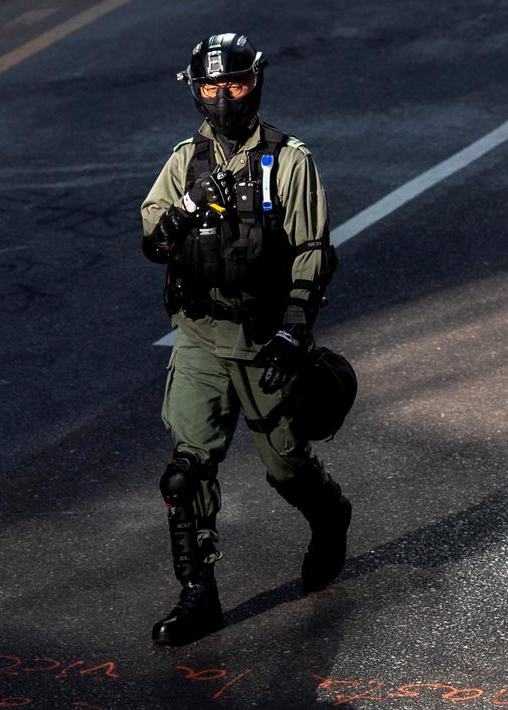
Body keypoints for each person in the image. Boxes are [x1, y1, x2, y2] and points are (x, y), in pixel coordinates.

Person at [139, 32, 351, 646]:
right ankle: (198, 593)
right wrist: (186, 209)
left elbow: (313, 251)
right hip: (201, 333)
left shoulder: (289, 160)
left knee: (286, 468)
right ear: (195, 92)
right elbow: (154, 242)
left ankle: (330, 514)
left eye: (233, 85)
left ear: (254, 83)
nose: (223, 98)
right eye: (210, 88)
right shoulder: (186, 160)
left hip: (264, 338)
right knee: (186, 471)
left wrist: (294, 329)